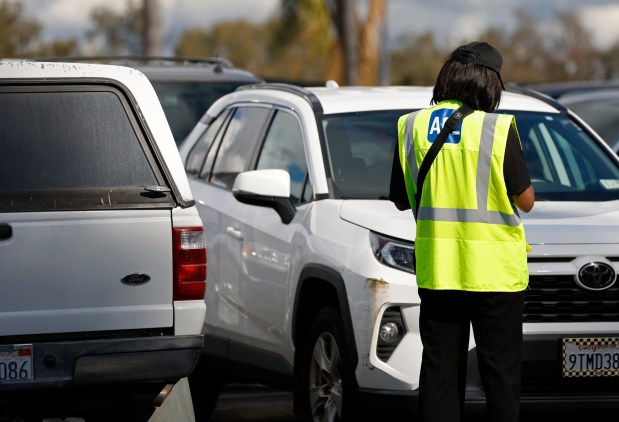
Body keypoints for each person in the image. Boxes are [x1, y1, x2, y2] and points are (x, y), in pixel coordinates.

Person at [389, 41, 535, 422]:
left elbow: (402, 200)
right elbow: (526, 200)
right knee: (500, 375)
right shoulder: (496, 128)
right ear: (487, 83)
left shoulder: (411, 126)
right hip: (496, 276)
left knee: (439, 372)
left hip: (440, 271)